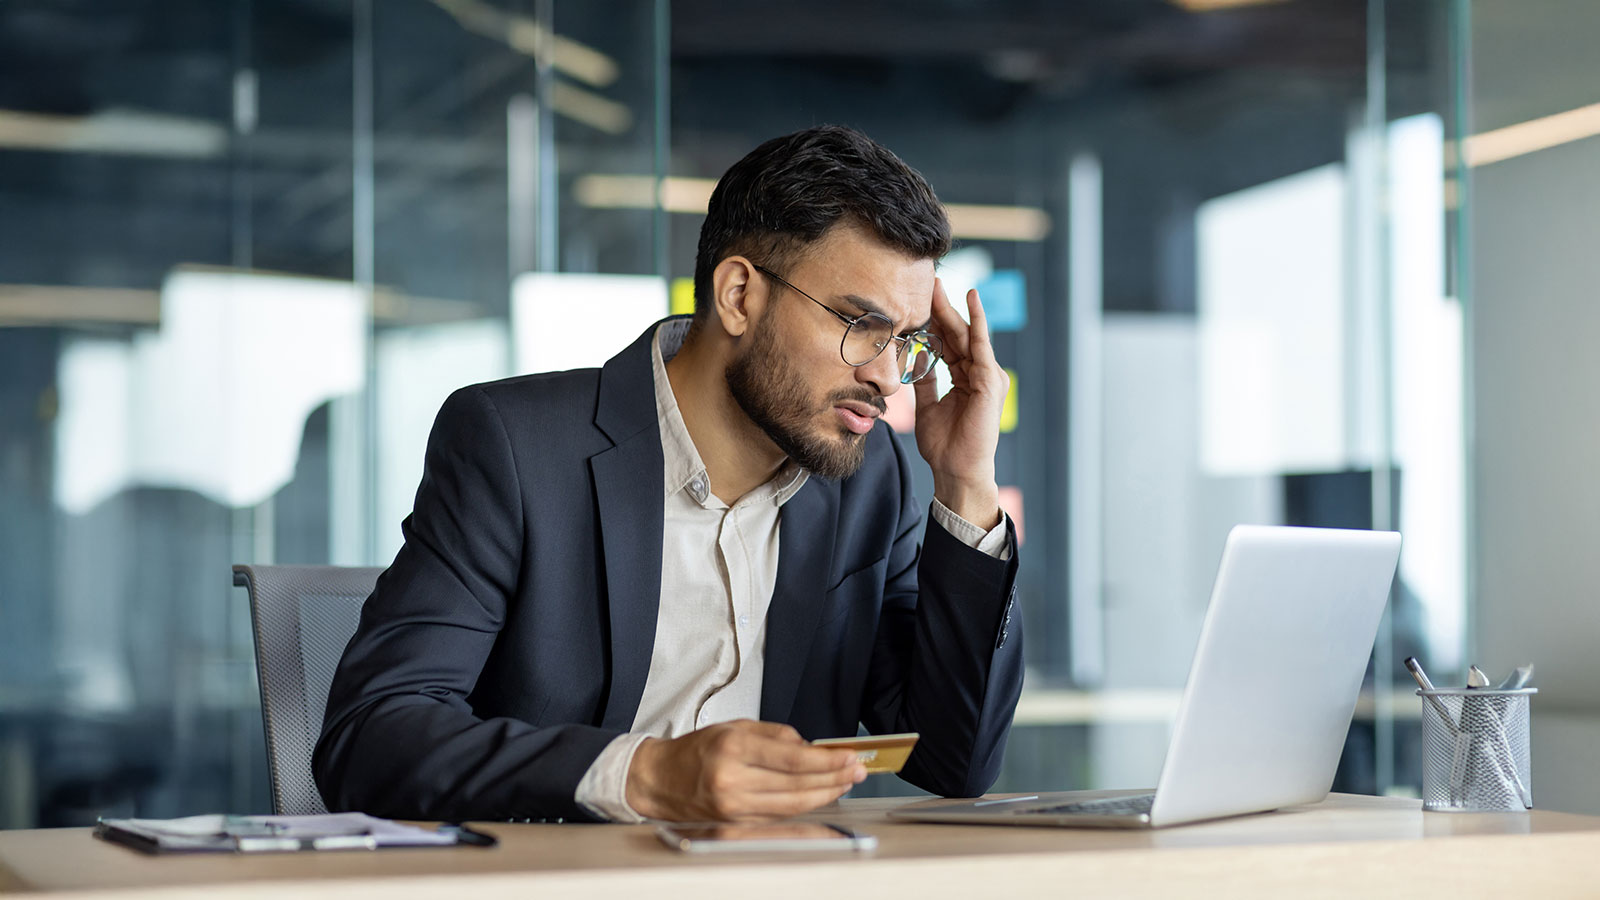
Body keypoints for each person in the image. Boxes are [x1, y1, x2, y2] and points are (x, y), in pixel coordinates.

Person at [314, 125, 1023, 824]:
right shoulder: (517, 448)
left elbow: (953, 761)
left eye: (905, 341)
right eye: (860, 325)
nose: (888, 377)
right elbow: (371, 735)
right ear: (740, 294)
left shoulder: (874, 482)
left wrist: (967, 484)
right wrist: (648, 773)